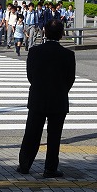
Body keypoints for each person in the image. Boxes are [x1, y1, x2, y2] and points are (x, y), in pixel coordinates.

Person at [17, 19, 76, 178]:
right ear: (62, 35)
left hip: (38, 97)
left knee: (32, 133)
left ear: (44, 32)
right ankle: (50, 168)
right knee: (54, 135)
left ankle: (24, 165)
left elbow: (30, 76)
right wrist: (61, 90)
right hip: (59, 99)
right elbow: (70, 79)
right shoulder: (68, 55)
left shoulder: (35, 52)